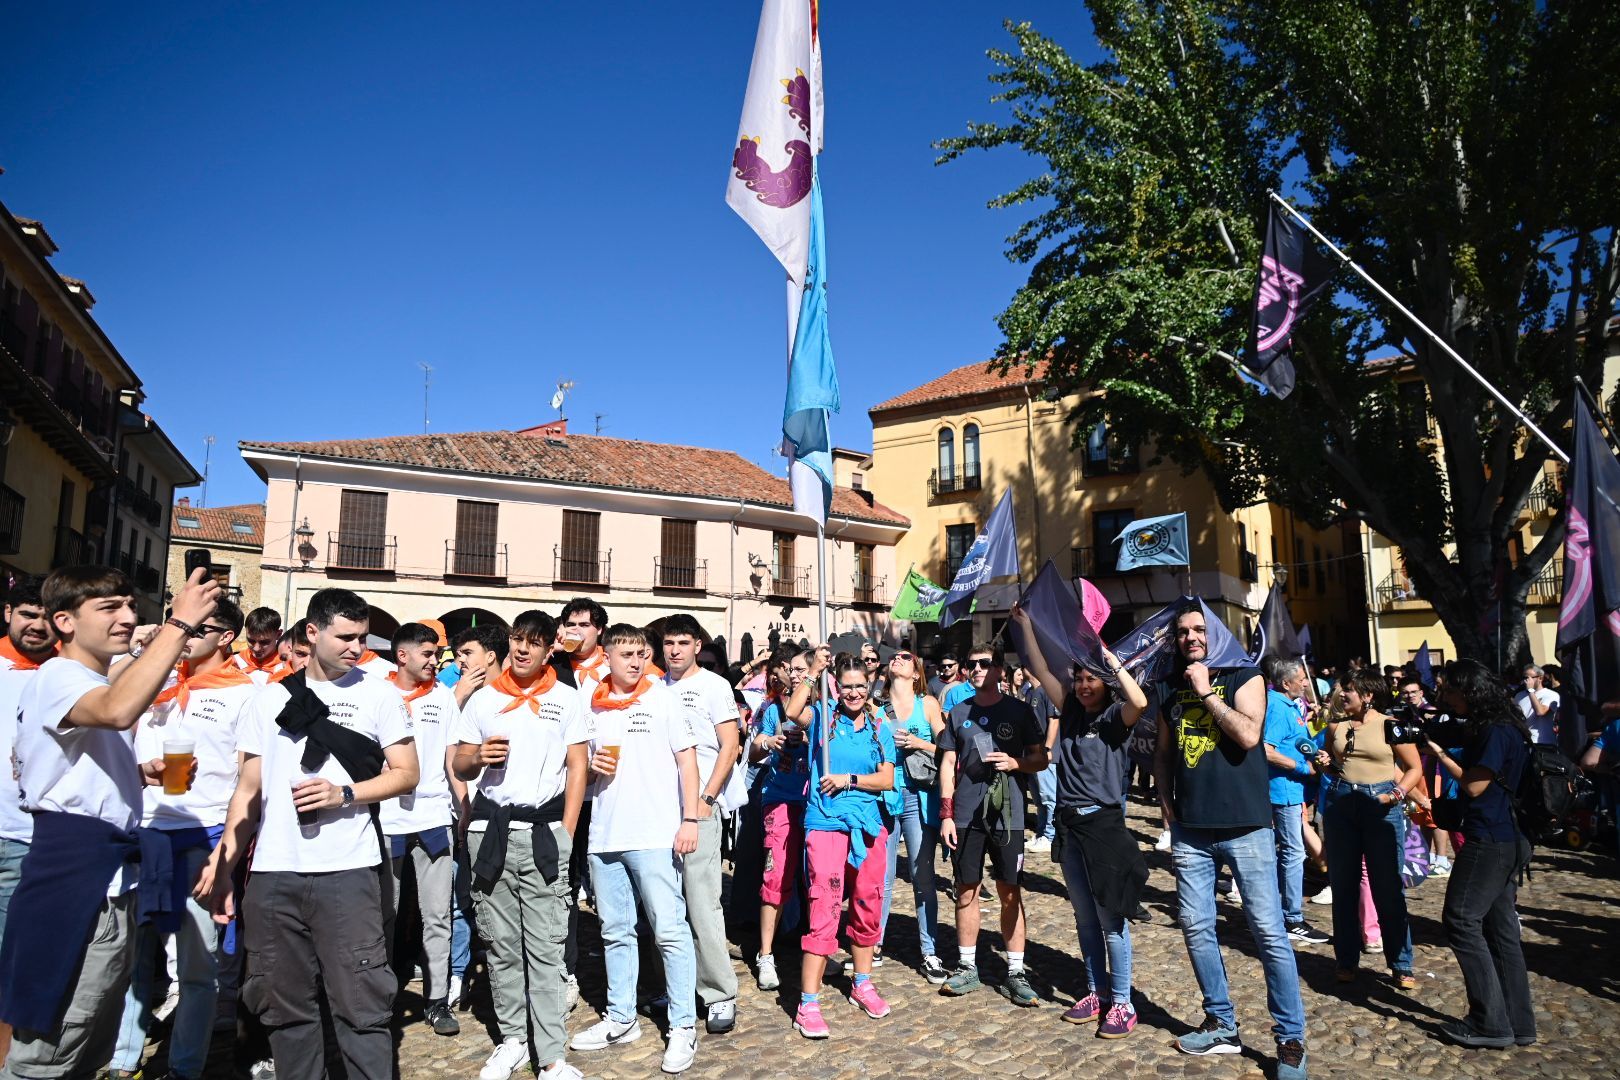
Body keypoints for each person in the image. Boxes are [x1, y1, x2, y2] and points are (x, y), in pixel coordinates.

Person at [0, 564, 219, 1079]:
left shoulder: (86, 678)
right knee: (51, 1048)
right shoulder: (59, 674)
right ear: (66, 621)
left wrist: (136, 774)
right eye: (109, 608)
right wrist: (180, 625)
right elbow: (120, 710)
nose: (127, 617)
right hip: (77, 875)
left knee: (87, 1045)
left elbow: (74, 765)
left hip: (107, 873)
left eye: (128, 605)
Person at [207, 588, 419, 1080]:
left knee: (362, 1008)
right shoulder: (268, 699)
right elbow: (247, 790)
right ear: (312, 632)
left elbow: (406, 772)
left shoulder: (379, 693)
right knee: (283, 1011)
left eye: (363, 638)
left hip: (348, 872)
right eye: (345, 637)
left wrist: (344, 794)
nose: (356, 647)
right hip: (274, 873)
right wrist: (224, 867)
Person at [1150, 600, 1307, 1080]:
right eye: (1181, 632)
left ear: (1214, 632)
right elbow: (1161, 750)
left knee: (1268, 933)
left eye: (1198, 629)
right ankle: (1221, 1022)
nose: (1190, 638)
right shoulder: (1167, 686)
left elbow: (1247, 735)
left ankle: (1290, 1039)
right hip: (1192, 830)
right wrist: (1163, 799)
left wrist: (1207, 695)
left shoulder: (1245, 676)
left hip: (1246, 826)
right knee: (1196, 927)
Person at [108, 597, 255, 1080]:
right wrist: (142, 651)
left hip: (201, 834)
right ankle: (122, 1059)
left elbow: (247, 783)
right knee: (129, 960)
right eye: (183, 626)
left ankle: (184, 1069)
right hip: (139, 831)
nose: (187, 634)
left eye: (199, 628)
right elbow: (102, 703)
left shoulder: (246, 692)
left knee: (196, 969)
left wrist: (226, 856)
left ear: (226, 636)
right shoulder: (154, 678)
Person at [452, 610, 589, 1080]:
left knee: (547, 947)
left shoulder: (567, 700)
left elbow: (577, 768)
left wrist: (567, 831)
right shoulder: (484, 699)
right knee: (500, 943)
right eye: (517, 639)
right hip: (489, 833)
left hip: (544, 836)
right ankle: (512, 1039)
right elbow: (461, 763)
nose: (523, 649)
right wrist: (476, 758)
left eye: (534, 641)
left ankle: (550, 1053)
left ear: (551, 648)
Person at [569, 624, 701, 1074]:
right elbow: (577, 770)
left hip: (655, 834)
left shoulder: (663, 697)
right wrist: (588, 765)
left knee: (669, 930)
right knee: (615, 932)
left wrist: (689, 819)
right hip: (606, 835)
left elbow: (688, 761)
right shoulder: (591, 701)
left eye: (641, 653)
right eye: (625, 653)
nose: (635, 661)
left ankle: (683, 1024)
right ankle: (622, 1016)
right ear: (606, 655)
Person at [1015, 605, 1149, 1038]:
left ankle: (1123, 1002)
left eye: (1092, 679)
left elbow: (1139, 701)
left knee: (1112, 922)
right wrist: (1026, 626)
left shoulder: (1113, 718)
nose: (1084, 685)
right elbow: (1038, 666)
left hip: (1103, 826)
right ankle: (1096, 992)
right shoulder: (1070, 709)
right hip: (1069, 825)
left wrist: (1110, 661)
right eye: (1080, 678)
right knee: (1085, 919)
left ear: (1104, 684)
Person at [783, 652, 897, 1037]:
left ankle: (861, 983)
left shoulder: (879, 724)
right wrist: (813, 672)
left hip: (868, 824)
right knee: (825, 904)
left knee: (867, 902)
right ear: (836, 686)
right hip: (825, 821)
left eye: (860, 686)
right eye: (846, 685)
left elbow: (886, 780)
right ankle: (807, 1004)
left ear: (870, 686)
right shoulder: (823, 717)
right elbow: (792, 709)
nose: (853, 692)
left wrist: (849, 779)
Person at [1430, 660, 1536, 1049]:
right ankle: (1518, 1023)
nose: (1445, 697)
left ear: (1469, 691)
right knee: (1501, 929)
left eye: (1450, 691)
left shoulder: (1494, 731)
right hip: (1511, 836)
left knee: (1460, 920)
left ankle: (1490, 1022)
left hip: (1491, 837)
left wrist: (1441, 755)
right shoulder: (1509, 724)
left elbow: (1475, 786)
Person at [936, 642, 1047, 1004]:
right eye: (972, 664)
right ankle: (967, 966)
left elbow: (1040, 758)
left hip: (1009, 814)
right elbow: (946, 767)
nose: (978, 668)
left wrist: (1017, 763)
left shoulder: (1019, 711)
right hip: (967, 815)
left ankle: (1015, 970)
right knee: (966, 888)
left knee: (1009, 890)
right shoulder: (957, 712)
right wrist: (947, 814)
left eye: (985, 663)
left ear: (1000, 669)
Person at [660, 615, 743, 1035]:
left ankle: (719, 992)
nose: (674, 650)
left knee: (702, 901)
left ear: (697, 645)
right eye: (669, 642)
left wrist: (707, 799)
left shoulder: (714, 686)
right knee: (665, 905)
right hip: (661, 812)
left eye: (682, 642)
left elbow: (731, 744)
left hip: (700, 810)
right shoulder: (655, 687)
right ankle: (678, 985)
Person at [380, 622, 464, 1039]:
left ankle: (437, 1000)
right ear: (403, 655)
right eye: (428, 654)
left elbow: (452, 758)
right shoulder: (378, 695)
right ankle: (379, 998)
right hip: (386, 822)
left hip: (432, 820)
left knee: (438, 916)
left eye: (436, 654)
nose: (436, 661)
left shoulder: (443, 698)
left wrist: (461, 806)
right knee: (385, 917)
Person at [1317, 670, 1423, 989]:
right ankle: (1346, 960)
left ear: (1367, 695)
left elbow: (1414, 768)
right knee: (1344, 886)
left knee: (1388, 887)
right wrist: (1326, 763)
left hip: (1381, 805)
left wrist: (1396, 794)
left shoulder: (1390, 725)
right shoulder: (1335, 726)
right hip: (1341, 802)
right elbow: (1337, 764)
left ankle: (1401, 964)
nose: (1342, 694)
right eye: (1341, 690)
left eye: (1348, 690)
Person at [0, 577, 57, 1063]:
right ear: (8, 614)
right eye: (26, 615)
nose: (35, 626)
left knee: (8, 959)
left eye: (45, 617)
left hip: (23, 836)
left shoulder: (63, 676)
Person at [447, 623, 511, 1011]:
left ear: (489, 655)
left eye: (467, 653)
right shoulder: (460, 695)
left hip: (503, 813)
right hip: (464, 807)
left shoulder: (512, 696)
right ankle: (458, 972)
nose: (460, 661)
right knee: (461, 898)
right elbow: (446, 748)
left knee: (497, 898)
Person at [878, 647, 947, 983]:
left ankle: (929, 951)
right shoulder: (876, 707)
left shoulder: (928, 705)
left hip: (920, 798)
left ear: (917, 668)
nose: (898, 659)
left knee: (922, 877)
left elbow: (948, 750)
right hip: (885, 796)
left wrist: (918, 745)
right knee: (883, 877)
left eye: (906, 656)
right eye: (894, 656)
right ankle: (873, 944)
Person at [748, 649, 811, 990]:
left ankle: (816, 947)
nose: (796, 674)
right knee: (774, 876)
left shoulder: (824, 712)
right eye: (794, 669)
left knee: (816, 877)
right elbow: (754, 750)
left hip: (815, 802)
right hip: (780, 801)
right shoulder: (772, 710)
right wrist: (765, 742)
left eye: (803, 670)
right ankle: (765, 955)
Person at [1260, 658, 1331, 947]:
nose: (1306, 682)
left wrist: (1316, 754)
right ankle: (1292, 919)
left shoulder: (1289, 704)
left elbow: (1296, 740)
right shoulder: (1277, 706)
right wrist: (1303, 768)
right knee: (1292, 852)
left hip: (1291, 789)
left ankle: (1281, 912)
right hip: (1283, 790)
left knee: (1286, 850)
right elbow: (1266, 749)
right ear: (1286, 682)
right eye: (1301, 678)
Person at [555, 598, 609, 690]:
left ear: (599, 629)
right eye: (571, 625)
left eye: (584, 625)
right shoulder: (555, 663)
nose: (576, 631)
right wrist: (551, 649)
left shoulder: (612, 662)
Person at [234, 607, 284, 683]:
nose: (256, 649)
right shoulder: (235, 663)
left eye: (264, 642)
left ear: (278, 634)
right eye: (251, 641)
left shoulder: (285, 666)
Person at [1513, 665, 1559, 745]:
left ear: (1540, 678)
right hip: (1523, 742)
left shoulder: (1551, 695)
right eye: (1524, 678)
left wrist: (1530, 691)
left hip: (1542, 743)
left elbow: (1540, 712)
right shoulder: (1519, 696)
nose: (1526, 681)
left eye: (1529, 678)